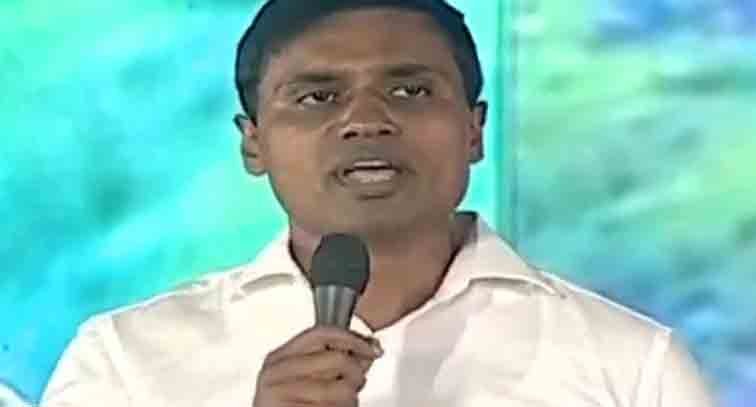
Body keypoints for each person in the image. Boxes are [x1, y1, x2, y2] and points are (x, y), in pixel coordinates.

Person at [40, 0, 716, 406]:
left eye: (410, 91)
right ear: (254, 143)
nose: (365, 121)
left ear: (475, 130)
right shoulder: (126, 359)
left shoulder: (630, 365)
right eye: (318, 97)